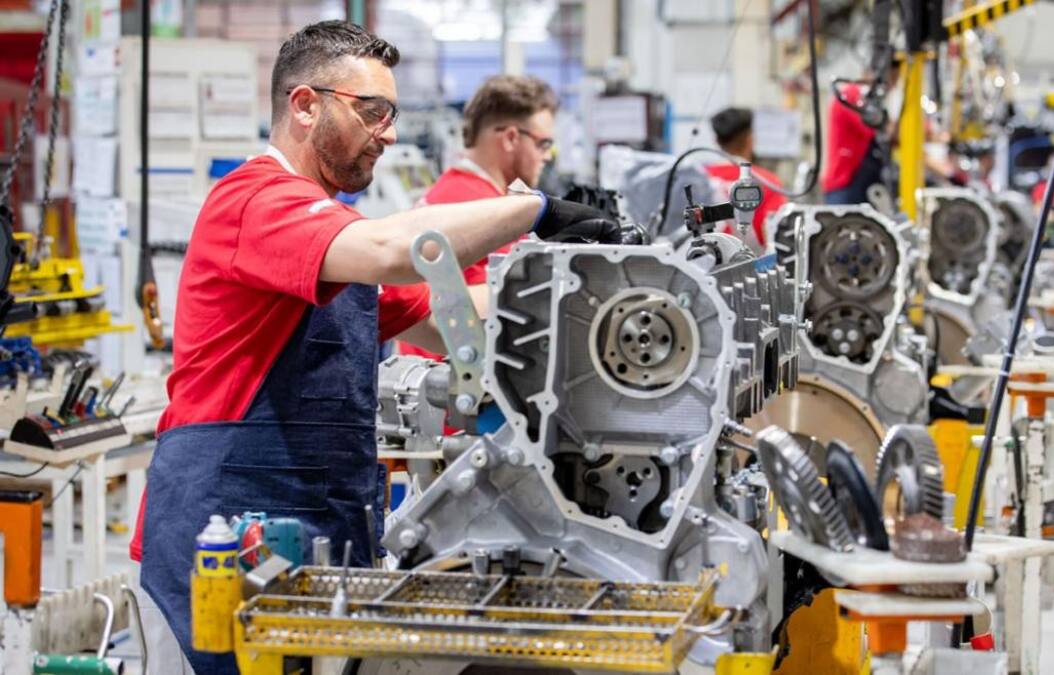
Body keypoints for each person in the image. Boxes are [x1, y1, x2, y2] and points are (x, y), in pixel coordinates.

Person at [131, 21, 629, 673]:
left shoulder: (337, 237)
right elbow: (398, 251)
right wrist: (534, 211)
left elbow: (453, 315)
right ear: (306, 105)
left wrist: (591, 292)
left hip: (313, 538)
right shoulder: (254, 200)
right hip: (220, 542)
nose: (389, 134)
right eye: (374, 112)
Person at [399, 74, 558, 358]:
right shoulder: (485, 212)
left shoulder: (454, 190)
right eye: (543, 144)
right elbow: (512, 310)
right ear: (510, 138)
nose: (547, 156)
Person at [705, 106, 788, 249]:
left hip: (699, 266)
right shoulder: (768, 182)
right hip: (753, 266)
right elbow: (775, 236)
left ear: (717, 141)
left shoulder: (701, 179)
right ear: (750, 139)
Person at [822, 60, 900, 206]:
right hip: (844, 185)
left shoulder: (871, 102)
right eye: (890, 81)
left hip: (861, 185)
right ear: (873, 75)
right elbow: (883, 129)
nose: (891, 87)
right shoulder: (851, 96)